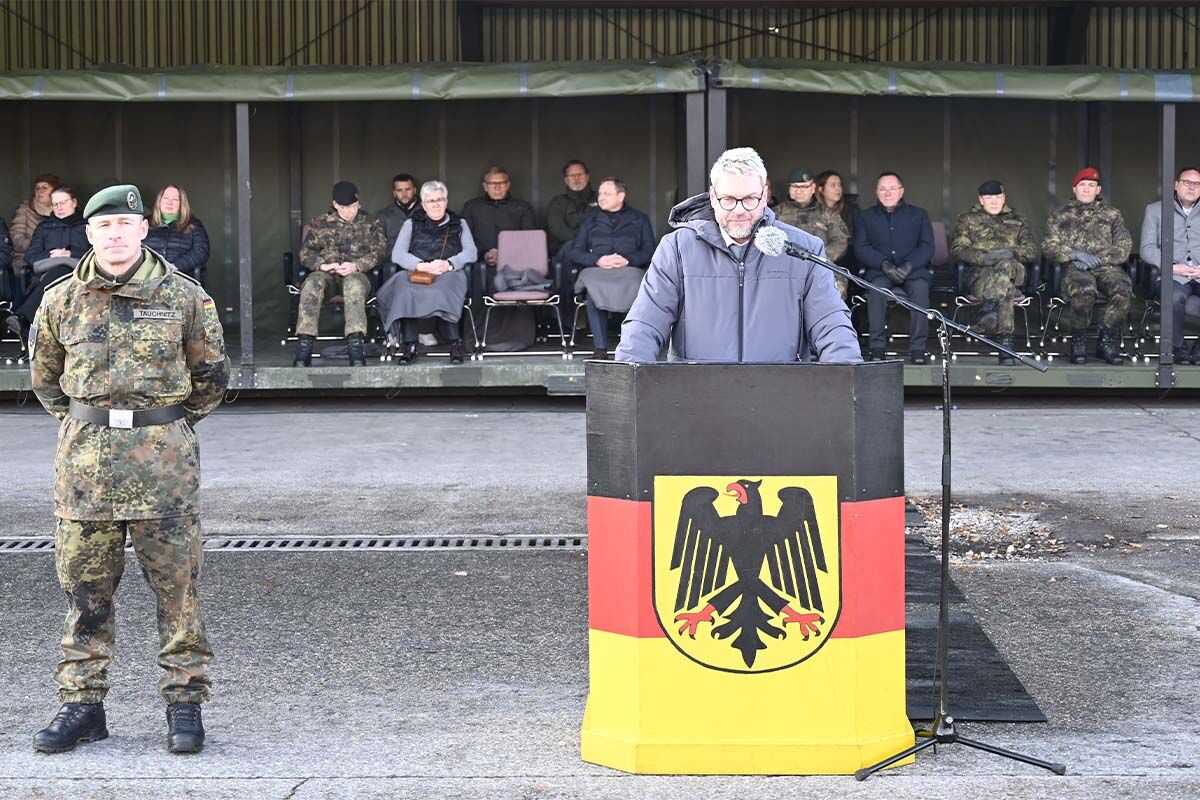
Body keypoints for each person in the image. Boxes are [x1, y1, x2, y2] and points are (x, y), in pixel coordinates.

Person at [27, 184, 229, 755]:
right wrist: (92, 426)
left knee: (179, 593)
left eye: (124, 224)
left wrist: (160, 428)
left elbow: (211, 379)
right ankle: (82, 705)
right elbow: (46, 381)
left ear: (143, 229)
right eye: (104, 226)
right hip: (85, 469)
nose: (114, 234)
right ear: (88, 234)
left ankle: (184, 704)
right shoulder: (60, 300)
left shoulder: (185, 297)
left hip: (163, 468)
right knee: (84, 593)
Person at [614, 147, 859, 364]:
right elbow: (645, 322)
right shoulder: (677, 248)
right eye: (729, 199)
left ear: (764, 195)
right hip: (695, 393)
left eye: (750, 199)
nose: (739, 210)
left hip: (781, 392)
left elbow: (830, 323)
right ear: (713, 197)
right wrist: (625, 384)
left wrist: (847, 379)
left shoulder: (803, 249)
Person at [377, 180, 477, 365]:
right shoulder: (411, 223)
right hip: (418, 273)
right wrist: (420, 265)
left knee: (444, 289)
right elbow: (398, 254)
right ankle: (409, 345)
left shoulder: (459, 223)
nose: (436, 204)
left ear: (446, 201)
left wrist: (449, 264)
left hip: (449, 272)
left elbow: (471, 253)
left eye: (440, 199)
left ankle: (455, 344)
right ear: (423, 204)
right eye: (431, 201)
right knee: (405, 291)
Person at [1043, 167, 1133, 365]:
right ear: (1074, 189)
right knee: (1084, 289)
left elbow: (1124, 245)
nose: (1086, 189)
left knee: (1123, 288)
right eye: (1082, 185)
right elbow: (1049, 246)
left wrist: (1099, 258)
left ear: (1098, 190)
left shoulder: (1112, 214)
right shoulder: (1059, 215)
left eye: (1091, 185)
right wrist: (1075, 254)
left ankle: (1106, 342)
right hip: (1074, 267)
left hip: (1107, 267)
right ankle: (1079, 342)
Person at [292, 181, 388, 368]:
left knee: (354, 285)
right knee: (312, 285)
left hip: (357, 274)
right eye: (345, 207)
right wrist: (322, 265)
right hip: (327, 274)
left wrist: (357, 265)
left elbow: (381, 252)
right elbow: (305, 253)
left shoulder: (371, 222)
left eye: (354, 206)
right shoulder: (320, 223)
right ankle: (304, 345)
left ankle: (355, 345)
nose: (351, 211)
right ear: (335, 204)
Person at [950, 180, 1040, 365]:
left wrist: (1011, 253)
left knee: (1006, 264)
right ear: (981, 200)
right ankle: (1006, 345)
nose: (994, 201)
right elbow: (958, 249)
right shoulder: (967, 220)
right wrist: (987, 258)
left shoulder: (1018, 220)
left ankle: (988, 310)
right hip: (979, 275)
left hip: (1014, 272)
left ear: (1004, 197)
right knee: (1006, 289)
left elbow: (1031, 250)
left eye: (998, 197)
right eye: (989, 198)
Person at [566, 177, 655, 359]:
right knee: (593, 289)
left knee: (637, 286)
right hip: (596, 270)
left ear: (620, 196)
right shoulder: (590, 220)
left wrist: (628, 260)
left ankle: (632, 345)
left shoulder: (639, 219)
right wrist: (598, 260)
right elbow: (574, 251)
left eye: (606, 193)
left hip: (630, 270)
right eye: (600, 193)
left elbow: (649, 251)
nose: (601, 197)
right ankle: (600, 349)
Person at [854, 172, 936, 363]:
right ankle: (877, 348)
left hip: (913, 271)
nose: (888, 193)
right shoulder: (865, 217)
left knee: (921, 290)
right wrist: (883, 264)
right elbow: (861, 247)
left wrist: (909, 265)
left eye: (892, 188)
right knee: (876, 291)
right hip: (880, 271)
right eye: (883, 189)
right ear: (877, 192)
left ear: (901, 191)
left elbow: (927, 246)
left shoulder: (919, 215)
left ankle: (918, 349)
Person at [4, 186, 90, 345]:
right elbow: (31, 256)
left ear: (74, 202)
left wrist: (70, 254)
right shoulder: (44, 227)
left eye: (63, 203)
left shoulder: (86, 226)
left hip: (80, 276)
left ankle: (24, 319)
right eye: (55, 204)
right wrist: (51, 255)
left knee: (63, 270)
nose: (59, 208)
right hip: (45, 275)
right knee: (60, 270)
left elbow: (96, 253)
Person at [1140, 166, 1200, 365]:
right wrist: (1172, 267)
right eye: (1187, 182)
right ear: (1176, 185)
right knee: (1175, 297)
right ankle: (1178, 346)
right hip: (1172, 274)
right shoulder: (1155, 210)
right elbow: (1147, 248)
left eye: (1197, 184)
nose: (1192, 187)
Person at [775, 167, 850, 299]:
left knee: (837, 287)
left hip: (820, 266)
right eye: (795, 186)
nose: (799, 191)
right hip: (784, 268)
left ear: (813, 188)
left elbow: (840, 241)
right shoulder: (777, 213)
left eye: (804, 187)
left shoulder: (827, 213)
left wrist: (818, 257)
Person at [460, 167, 536, 269]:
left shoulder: (523, 207)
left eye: (502, 183)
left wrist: (504, 254)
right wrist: (484, 254)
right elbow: (464, 237)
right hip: (478, 264)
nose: (497, 187)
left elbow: (529, 238)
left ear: (508, 185)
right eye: (492, 183)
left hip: (515, 264)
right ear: (485, 186)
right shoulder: (471, 207)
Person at [144, 185, 210, 282]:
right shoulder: (145, 223)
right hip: (149, 279)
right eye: (165, 198)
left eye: (175, 199)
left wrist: (174, 267)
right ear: (159, 201)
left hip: (181, 279)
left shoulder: (194, 225)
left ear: (182, 204)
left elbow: (201, 252)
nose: (169, 202)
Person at [9, 173, 59, 272]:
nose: (40, 191)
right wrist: (39, 246)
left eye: (44, 188)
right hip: (26, 257)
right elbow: (16, 239)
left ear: (55, 191)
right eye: (37, 188)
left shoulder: (62, 209)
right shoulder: (25, 209)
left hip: (57, 256)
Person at [546, 160, 598, 254]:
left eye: (580, 174)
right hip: (566, 251)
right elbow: (559, 232)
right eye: (572, 175)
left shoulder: (601, 198)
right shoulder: (557, 202)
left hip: (597, 248)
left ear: (587, 177)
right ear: (566, 180)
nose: (576, 178)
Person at [816, 170, 860, 261]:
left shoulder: (852, 210)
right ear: (820, 189)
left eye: (840, 185)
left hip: (847, 260)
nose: (838, 189)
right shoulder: (813, 210)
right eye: (833, 185)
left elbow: (857, 240)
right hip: (819, 259)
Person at [376, 173, 420, 255]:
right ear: (394, 193)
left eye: (407, 189)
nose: (404, 194)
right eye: (399, 190)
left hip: (422, 261)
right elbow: (379, 248)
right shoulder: (383, 216)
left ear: (414, 190)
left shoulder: (428, 211)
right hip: (394, 261)